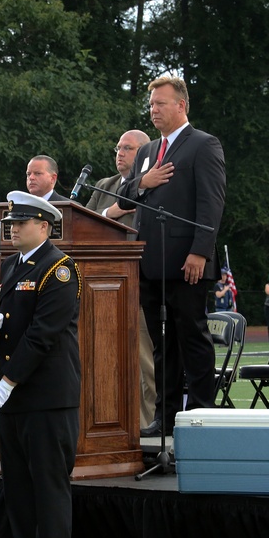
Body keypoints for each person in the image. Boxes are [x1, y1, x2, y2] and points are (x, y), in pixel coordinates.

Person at [0, 191, 81, 538]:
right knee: (17, 483)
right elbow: (11, 328)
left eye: (21, 222)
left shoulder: (60, 269)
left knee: (48, 483)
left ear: (45, 226)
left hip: (46, 396)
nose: (13, 228)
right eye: (12, 223)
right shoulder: (7, 267)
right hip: (13, 394)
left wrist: (5, 383)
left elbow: (43, 335)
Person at [119, 76, 226, 437]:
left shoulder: (203, 145)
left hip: (186, 262)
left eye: (160, 103)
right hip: (150, 262)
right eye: (151, 104)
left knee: (191, 338)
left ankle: (200, 415)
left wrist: (200, 251)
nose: (154, 110)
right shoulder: (148, 151)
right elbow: (124, 200)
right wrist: (143, 182)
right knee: (162, 343)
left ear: (181, 105)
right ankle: (164, 418)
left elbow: (211, 204)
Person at [85, 129, 157, 428]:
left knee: (145, 363)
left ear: (143, 153)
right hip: (101, 286)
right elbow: (84, 220)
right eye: (118, 148)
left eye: (127, 148)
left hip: (140, 282)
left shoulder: (154, 183)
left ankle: (148, 422)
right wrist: (111, 211)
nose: (120, 153)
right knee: (105, 361)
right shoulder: (105, 185)